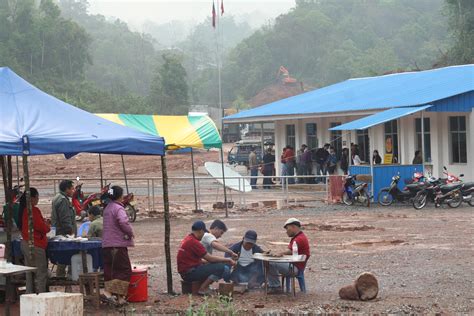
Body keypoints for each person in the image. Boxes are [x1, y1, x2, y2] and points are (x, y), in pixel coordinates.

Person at [177, 221, 235, 295]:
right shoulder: (194, 242)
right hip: (189, 273)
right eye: (203, 233)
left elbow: (201, 260)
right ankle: (203, 288)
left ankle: (203, 287)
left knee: (215, 265)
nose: (204, 235)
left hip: (186, 272)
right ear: (201, 231)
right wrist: (228, 259)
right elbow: (210, 258)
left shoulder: (188, 238)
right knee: (221, 267)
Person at [102, 186, 134, 305]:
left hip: (107, 245)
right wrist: (130, 232)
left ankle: (120, 298)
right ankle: (108, 292)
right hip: (117, 245)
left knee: (112, 271)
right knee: (124, 270)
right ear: (120, 196)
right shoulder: (118, 208)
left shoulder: (107, 208)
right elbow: (123, 222)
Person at [19, 188, 50, 293]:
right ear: (32, 198)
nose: (38, 199)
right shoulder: (33, 210)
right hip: (35, 244)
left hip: (26, 243)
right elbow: (41, 227)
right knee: (41, 273)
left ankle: (29, 294)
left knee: (29, 273)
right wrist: (47, 226)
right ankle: (41, 296)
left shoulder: (24, 210)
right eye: (37, 197)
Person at [267, 218, 310, 293]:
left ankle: (275, 286)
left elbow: (290, 251)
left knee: (270, 263)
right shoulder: (299, 237)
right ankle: (272, 284)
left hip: (295, 267)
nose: (286, 231)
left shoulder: (299, 239)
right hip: (296, 265)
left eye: (287, 228)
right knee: (271, 262)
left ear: (293, 227)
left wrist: (279, 254)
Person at [51, 179, 76, 277]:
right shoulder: (62, 200)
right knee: (65, 256)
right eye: (72, 189)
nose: (73, 191)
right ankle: (62, 278)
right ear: (67, 189)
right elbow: (65, 218)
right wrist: (70, 232)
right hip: (64, 234)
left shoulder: (58, 197)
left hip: (60, 233)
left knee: (62, 256)